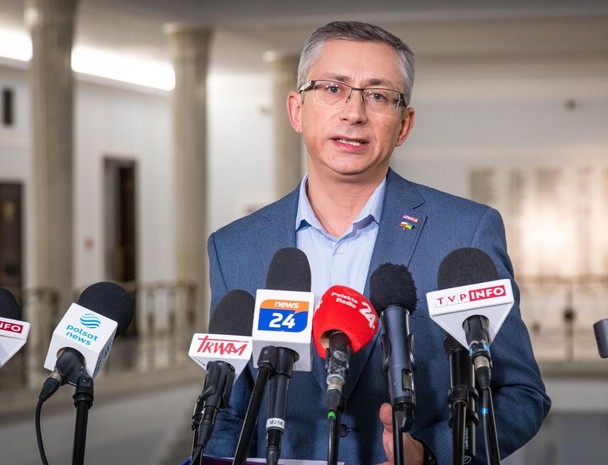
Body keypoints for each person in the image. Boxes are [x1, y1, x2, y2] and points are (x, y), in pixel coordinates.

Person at [206, 20, 551, 465]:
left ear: (404, 124)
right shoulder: (233, 248)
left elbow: (519, 394)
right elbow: (228, 411)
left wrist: (431, 454)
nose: (354, 113)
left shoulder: (465, 232)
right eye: (333, 88)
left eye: (378, 96)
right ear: (296, 109)